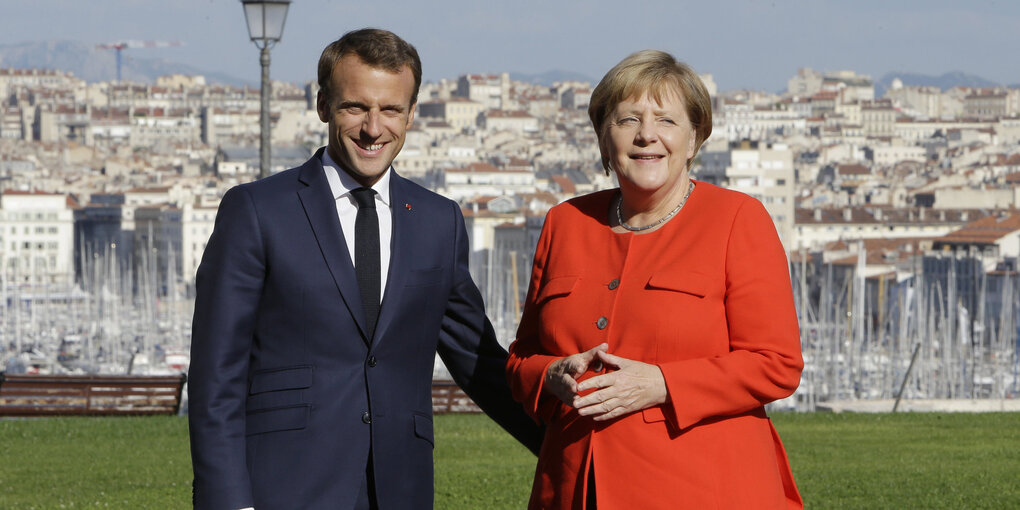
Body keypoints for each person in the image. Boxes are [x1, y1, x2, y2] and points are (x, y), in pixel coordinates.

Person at [188, 28, 541, 510]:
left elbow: (482, 365)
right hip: (283, 488)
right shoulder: (256, 210)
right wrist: (228, 501)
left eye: (391, 109)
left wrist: (574, 447)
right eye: (356, 107)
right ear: (323, 106)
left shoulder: (440, 221)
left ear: (412, 114)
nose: (374, 128)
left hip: (401, 488)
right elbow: (215, 376)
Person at [506, 50, 804, 509]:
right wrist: (550, 375)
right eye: (627, 120)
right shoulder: (564, 222)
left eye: (665, 120)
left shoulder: (737, 219)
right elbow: (521, 358)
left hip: (705, 489)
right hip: (572, 488)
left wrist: (663, 383)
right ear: (604, 139)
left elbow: (775, 363)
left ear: (694, 139)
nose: (647, 135)